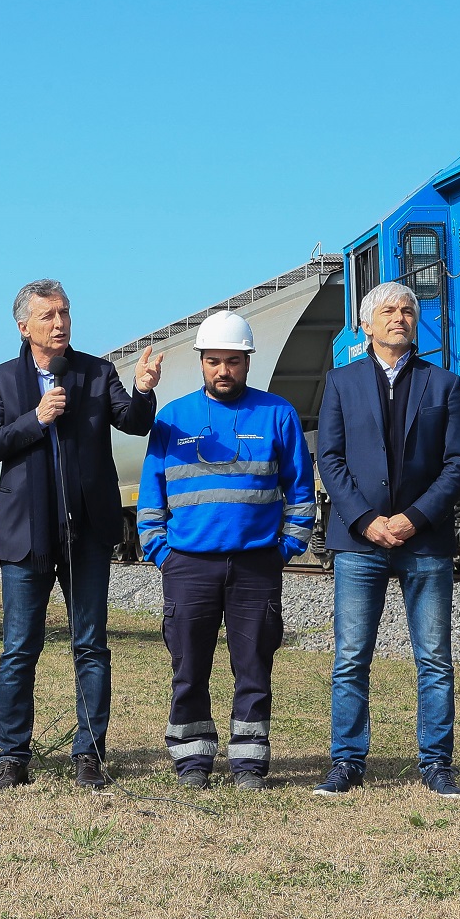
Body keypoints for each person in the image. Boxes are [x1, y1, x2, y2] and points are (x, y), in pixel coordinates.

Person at [0, 279, 160, 790]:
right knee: (19, 648)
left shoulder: (96, 373)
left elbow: (134, 422)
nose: (59, 324)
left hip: (87, 532)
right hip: (25, 533)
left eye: (65, 314)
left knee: (90, 645)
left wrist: (143, 388)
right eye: (48, 316)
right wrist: (35, 419)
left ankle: (90, 753)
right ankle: (13, 756)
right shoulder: (1, 382)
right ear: (23, 326)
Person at [137, 311, 314, 791]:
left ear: (247, 361)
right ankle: (192, 760)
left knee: (254, 664)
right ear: (201, 362)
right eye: (214, 361)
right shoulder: (173, 418)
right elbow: (151, 493)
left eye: (232, 361)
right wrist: (160, 551)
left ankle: (249, 762)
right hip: (188, 565)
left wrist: (288, 546)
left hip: (256, 564)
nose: (223, 371)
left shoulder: (278, 414)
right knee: (188, 666)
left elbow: (300, 489)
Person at [313, 281, 460, 799]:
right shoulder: (340, 382)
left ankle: (436, 763)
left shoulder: (443, 384)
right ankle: (347, 761)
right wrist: (365, 520)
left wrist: (414, 518)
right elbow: (330, 461)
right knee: (351, 657)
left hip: (423, 543)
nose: (399, 318)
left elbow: (457, 464)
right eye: (388, 311)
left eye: (407, 310)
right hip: (360, 544)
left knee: (434, 657)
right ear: (366, 324)